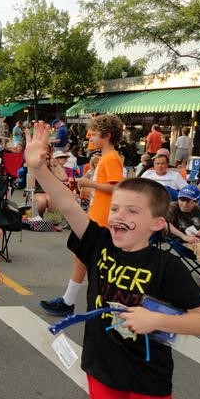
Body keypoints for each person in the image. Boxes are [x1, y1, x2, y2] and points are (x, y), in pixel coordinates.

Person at [25, 120, 200, 399]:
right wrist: (37, 168)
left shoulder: (166, 266)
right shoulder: (100, 245)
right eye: (114, 208)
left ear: (157, 223)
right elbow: (69, 205)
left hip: (149, 385)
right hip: (102, 374)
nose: (117, 216)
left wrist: (155, 320)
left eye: (131, 211)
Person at [40, 114, 124, 317]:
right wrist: (87, 190)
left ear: (107, 135)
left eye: (94, 135)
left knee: (91, 261)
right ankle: (69, 300)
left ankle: (90, 302)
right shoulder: (106, 157)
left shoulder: (111, 158)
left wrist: (89, 184)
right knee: (81, 258)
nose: (91, 138)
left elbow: (117, 188)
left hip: (102, 220)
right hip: (95, 215)